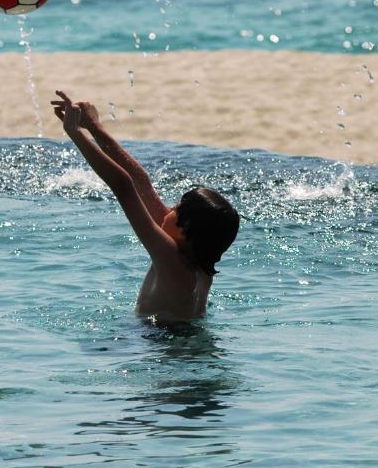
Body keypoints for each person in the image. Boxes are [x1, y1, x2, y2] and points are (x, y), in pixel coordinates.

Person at [51, 90, 239, 322]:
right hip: (186, 346)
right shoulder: (199, 264)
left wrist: (75, 133)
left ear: (184, 229)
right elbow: (140, 183)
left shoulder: (172, 260)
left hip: (158, 344)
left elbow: (124, 187)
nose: (168, 209)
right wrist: (93, 126)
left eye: (176, 208)